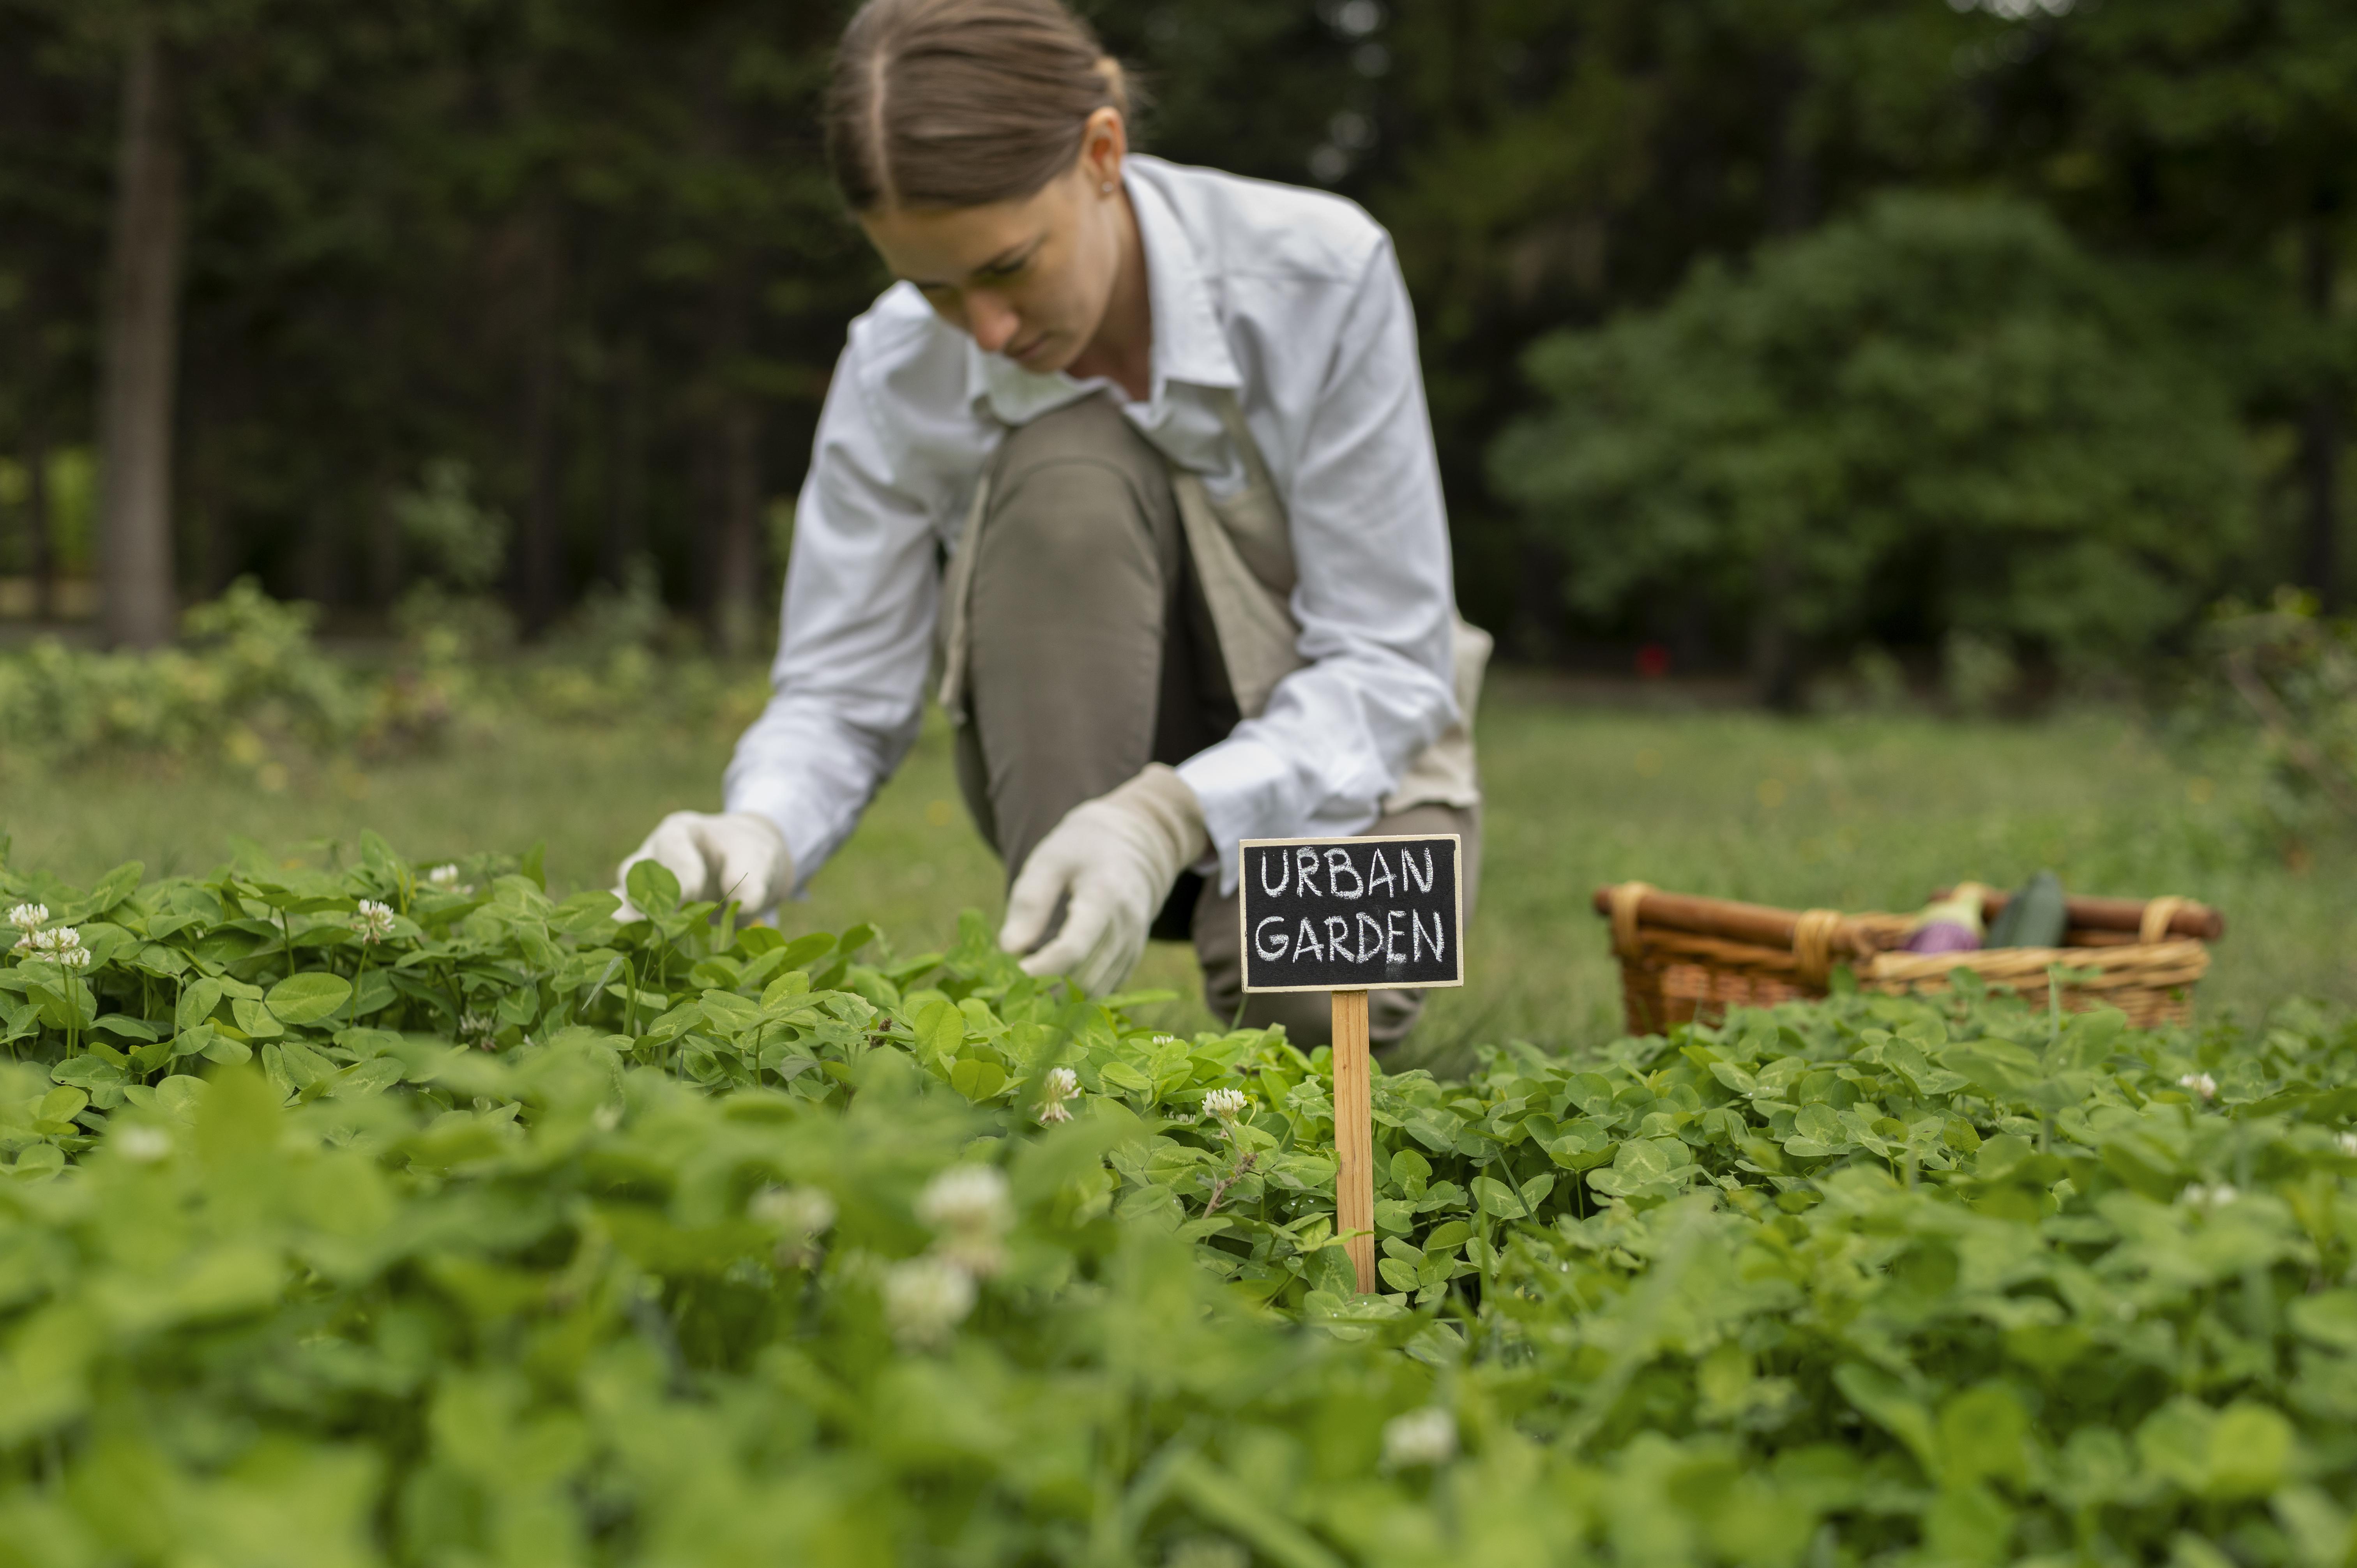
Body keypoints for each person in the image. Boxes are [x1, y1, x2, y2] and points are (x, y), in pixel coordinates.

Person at [616, 0, 1486, 1050]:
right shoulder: (898, 369)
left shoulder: (1321, 275)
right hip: (1071, 786)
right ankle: (1058, 1032)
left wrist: (1164, 819)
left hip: (1355, 767)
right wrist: (759, 827)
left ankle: (1245, 1015)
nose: (986, 329)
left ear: (1104, 153)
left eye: (1007, 266)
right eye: (931, 287)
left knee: (1312, 1017)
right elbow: (843, 696)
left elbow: (1390, 668)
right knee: (1068, 464)